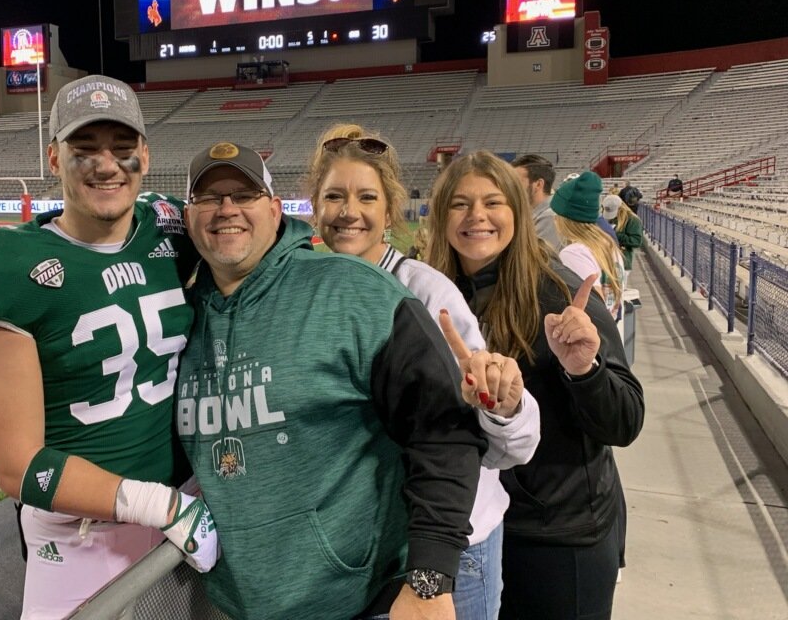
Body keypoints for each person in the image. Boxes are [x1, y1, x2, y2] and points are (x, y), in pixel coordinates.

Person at [0, 75, 219, 620]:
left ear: (145, 157)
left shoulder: (171, 230)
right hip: (81, 538)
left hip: (186, 509)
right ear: (53, 159)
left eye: (122, 149)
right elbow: (18, 468)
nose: (105, 165)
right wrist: (158, 505)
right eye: (83, 149)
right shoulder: (6, 268)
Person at [178, 141, 485, 620]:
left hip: (362, 602)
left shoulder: (353, 290)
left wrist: (429, 580)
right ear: (189, 215)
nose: (226, 210)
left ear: (276, 210)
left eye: (244, 195)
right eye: (209, 198)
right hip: (236, 607)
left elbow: (444, 432)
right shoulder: (181, 321)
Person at [307, 124, 541, 620]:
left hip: (452, 550)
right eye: (334, 196)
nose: (349, 211)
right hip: (366, 550)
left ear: (390, 211)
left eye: (366, 196)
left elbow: (506, 447)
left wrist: (504, 403)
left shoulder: (426, 292)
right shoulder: (315, 293)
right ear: (315, 208)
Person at [425, 151, 644, 620]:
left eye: (493, 202)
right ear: (440, 215)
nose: (476, 216)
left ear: (518, 214)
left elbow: (625, 420)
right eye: (460, 204)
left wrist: (585, 370)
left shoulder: (560, 291)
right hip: (473, 536)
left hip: (556, 537)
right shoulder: (430, 295)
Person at [551, 172, 625, 320]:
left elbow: (592, 307)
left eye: (556, 215)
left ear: (565, 218)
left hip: (591, 339)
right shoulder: (607, 244)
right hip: (610, 334)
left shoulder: (574, 253)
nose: (554, 220)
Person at [510, 154, 562, 251]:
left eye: (517, 183)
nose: (512, 188)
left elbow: (531, 258)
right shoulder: (535, 214)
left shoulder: (550, 217)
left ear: (538, 184)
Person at [603, 194, 644, 274]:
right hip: (604, 261)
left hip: (621, 262)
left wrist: (615, 234)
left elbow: (636, 241)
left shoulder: (633, 220)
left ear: (620, 208)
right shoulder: (603, 217)